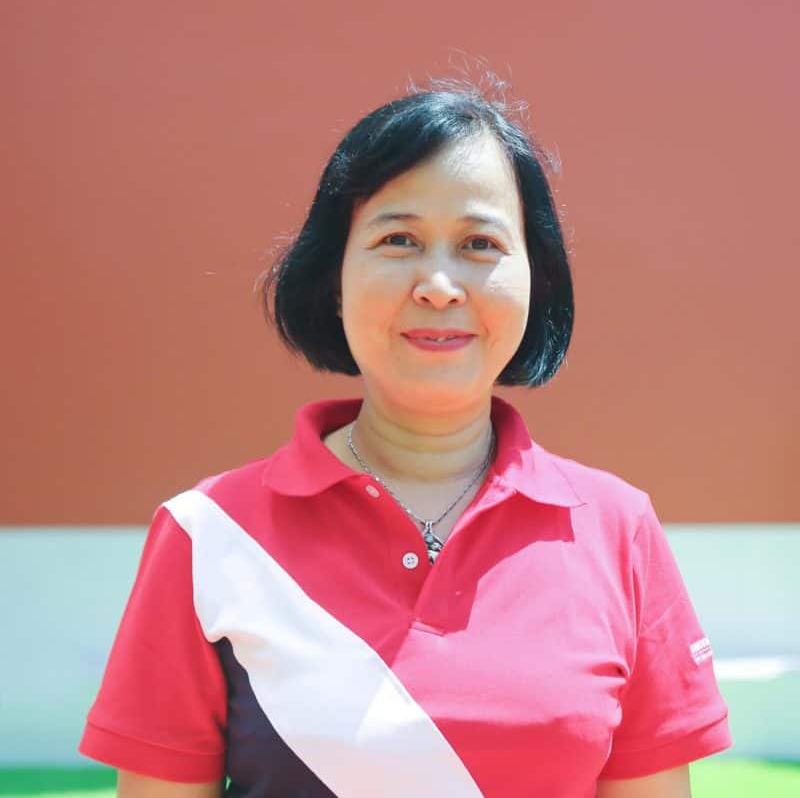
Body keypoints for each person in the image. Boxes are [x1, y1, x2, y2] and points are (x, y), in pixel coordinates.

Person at [78, 77, 732, 798]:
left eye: (480, 243)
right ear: (334, 278)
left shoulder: (617, 529)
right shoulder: (208, 535)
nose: (440, 285)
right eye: (399, 240)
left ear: (536, 281)